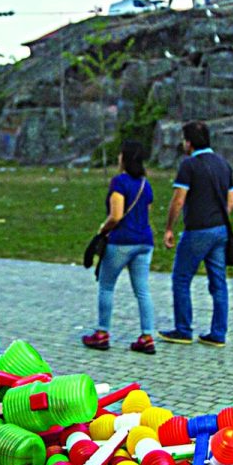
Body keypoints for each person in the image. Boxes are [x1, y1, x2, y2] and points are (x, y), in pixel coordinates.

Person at [159, 121, 233, 346]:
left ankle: (183, 329)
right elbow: (231, 201)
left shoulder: (189, 165)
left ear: (189, 142)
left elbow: (179, 199)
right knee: (218, 282)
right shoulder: (224, 165)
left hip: (197, 230)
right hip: (220, 229)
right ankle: (218, 333)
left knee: (181, 278)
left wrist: (169, 227)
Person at [83, 138, 157, 355]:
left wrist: (102, 230)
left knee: (106, 286)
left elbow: (116, 215)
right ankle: (147, 336)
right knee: (142, 290)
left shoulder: (119, 183)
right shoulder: (146, 184)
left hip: (122, 241)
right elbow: (147, 213)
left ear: (124, 158)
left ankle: (102, 333)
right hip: (144, 241)